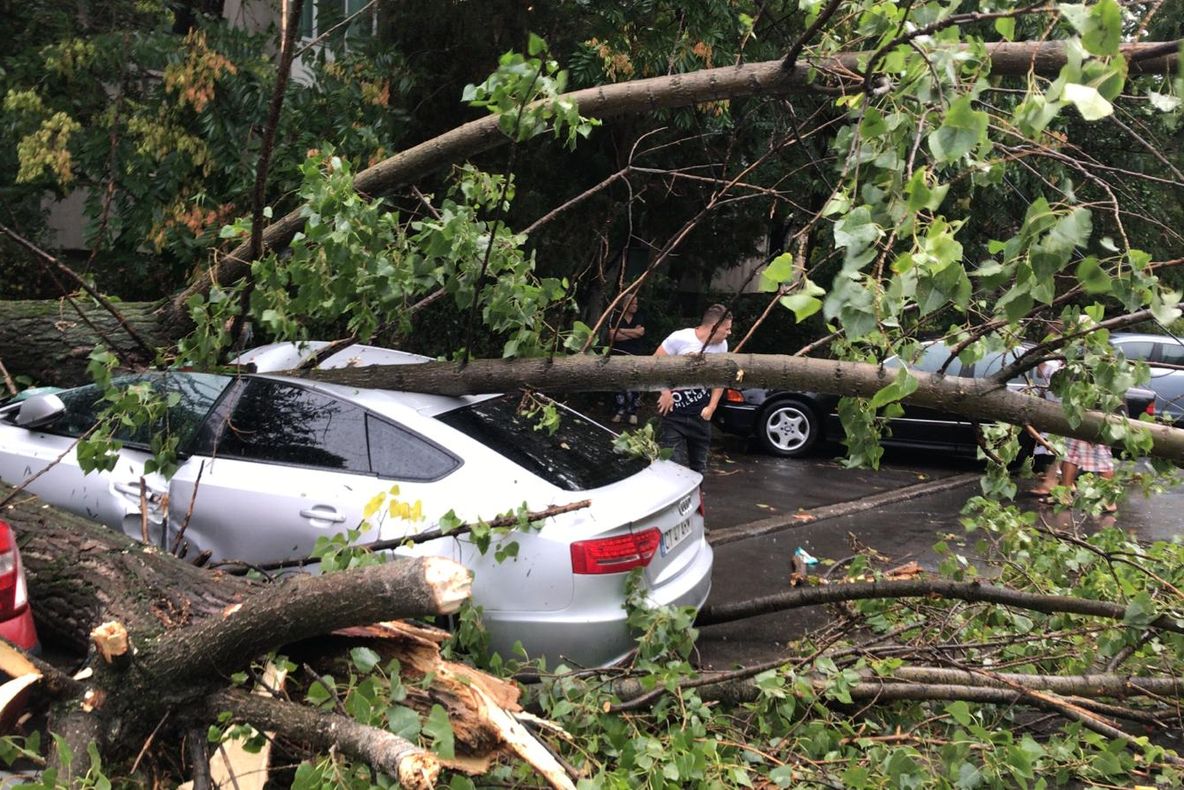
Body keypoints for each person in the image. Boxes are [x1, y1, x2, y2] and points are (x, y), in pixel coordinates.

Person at [654, 304, 733, 474]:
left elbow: (719, 379)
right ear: (714, 327)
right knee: (670, 466)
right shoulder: (680, 338)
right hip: (674, 414)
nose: (729, 333)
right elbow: (654, 364)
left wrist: (712, 406)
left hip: (700, 416)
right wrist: (665, 391)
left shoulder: (722, 346)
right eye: (726, 329)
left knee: (699, 468)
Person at [607, 295, 646, 424]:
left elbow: (640, 333)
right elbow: (613, 335)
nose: (636, 306)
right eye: (633, 304)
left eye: (636, 303)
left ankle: (632, 412)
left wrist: (621, 331)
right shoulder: (616, 316)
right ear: (625, 305)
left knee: (634, 382)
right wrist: (632, 333)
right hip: (618, 354)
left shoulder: (640, 316)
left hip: (634, 354)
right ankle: (619, 411)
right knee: (619, 384)